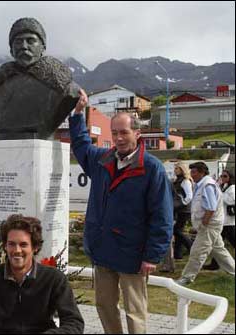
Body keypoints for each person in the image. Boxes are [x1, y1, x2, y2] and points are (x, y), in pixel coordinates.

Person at [69, 91, 173, 334]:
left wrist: (152, 256)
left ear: (137, 134)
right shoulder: (102, 160)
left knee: (134, 312)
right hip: (103, 249)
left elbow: (163, 217)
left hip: (133, 255)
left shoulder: (151, 169)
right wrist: (77, 114)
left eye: (124, 132)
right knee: (104, 305)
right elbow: (82, 145)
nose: (118, 138)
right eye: (114, 133)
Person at [0, 214, 84, 334]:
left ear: (35, 247)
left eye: (23, 245)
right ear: (5, 246)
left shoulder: (54, 278)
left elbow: (74, 322)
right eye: (11, 244)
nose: (17, 250)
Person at [0, 17, 80, 139]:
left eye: (31, 41)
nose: (24, 46)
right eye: (18, 42)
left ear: (42, 47)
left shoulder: (64, 87)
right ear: (11, 50)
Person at [176, 163, 235, 285]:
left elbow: (211, 208)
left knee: (197, 251)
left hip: (209, 225)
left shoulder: (207, 185)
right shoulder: (202, 184)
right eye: (191, 172)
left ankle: (187, 277)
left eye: (194, 172)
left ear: (202, 172)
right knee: (219, 250)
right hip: (210, 224)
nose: (192, 174)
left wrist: (204, 224)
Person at [160, 162, 194, 272]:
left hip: (184, 210)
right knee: (177, 231)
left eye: (177, 168)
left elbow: (189, 196)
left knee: (178, 231)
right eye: (175, 168)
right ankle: (178, 254)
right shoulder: (177, 181)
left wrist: (181, 202)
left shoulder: (185, 181)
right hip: (178, 209)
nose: (175, 170)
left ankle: (191, 247)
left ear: (182, 169)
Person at [204, 169, 236, 270]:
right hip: (222, 220)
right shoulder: (222, 187)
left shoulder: (232, 187)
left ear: (230, 177)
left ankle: (215, 264)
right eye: (222, 176)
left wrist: (220, 195)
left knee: (230, 241)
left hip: (229, 221)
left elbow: (231, 200)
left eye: (225, 176)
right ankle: (215, 264)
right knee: (216, 243)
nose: (222, 178)